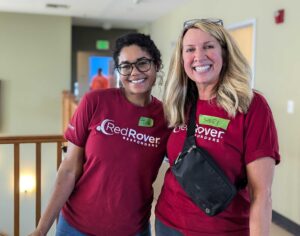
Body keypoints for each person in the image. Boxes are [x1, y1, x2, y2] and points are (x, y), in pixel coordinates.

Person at [29, 33, 170, 236]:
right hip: (75, 227)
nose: (134, 72)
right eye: (126, 66)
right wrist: (41, 229)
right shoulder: (94, 102)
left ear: (156, 65)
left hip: (132, 230)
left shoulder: (166, 118)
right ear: (118, 71)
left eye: (142, 63)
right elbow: (69, 169)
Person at [155, 18, 280, 236]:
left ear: (224, 52)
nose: (199, 56)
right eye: (190, 49)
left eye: (208, 46)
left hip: (223, 229)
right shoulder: (179, 102)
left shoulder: (251, 105)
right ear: (181, 58)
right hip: (168, 223)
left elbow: (262, 194)